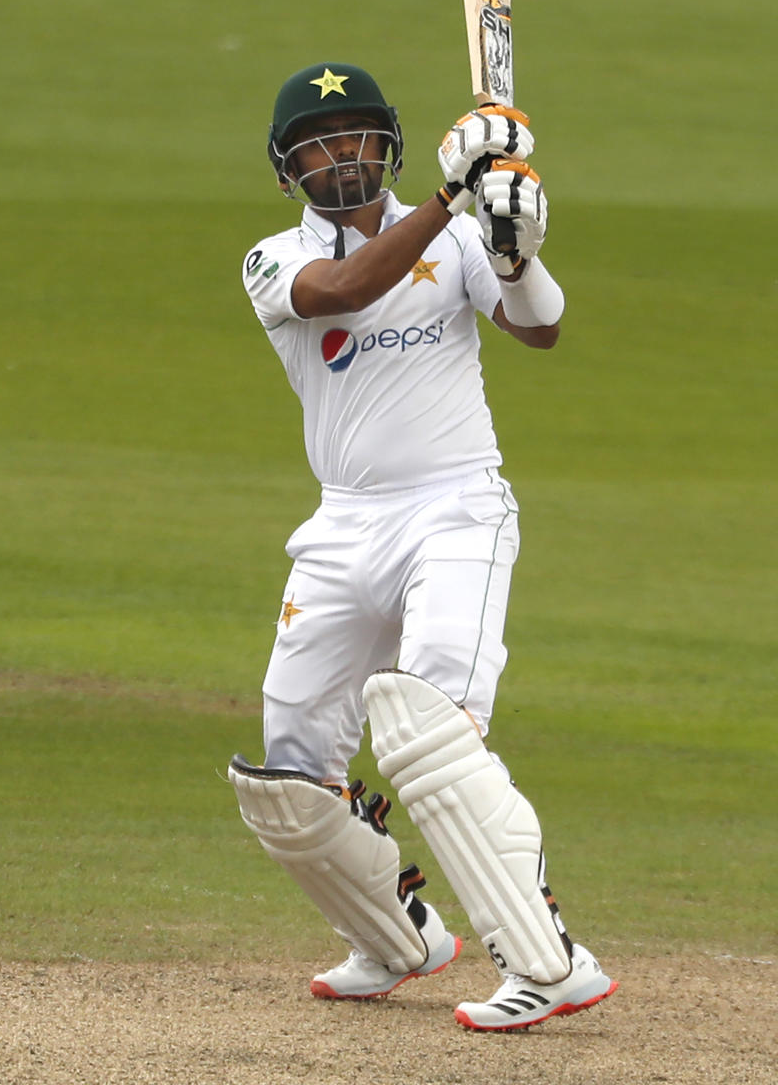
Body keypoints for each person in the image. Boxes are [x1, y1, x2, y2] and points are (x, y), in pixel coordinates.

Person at [227, 61, 616, 1031]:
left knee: (432, 731)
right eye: (321, 142)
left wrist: (516, 247)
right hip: (344, 520)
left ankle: (549, 961)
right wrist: (454, 194)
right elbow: (347, 286)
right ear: (288, 170)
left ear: (387, 143)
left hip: (456, 510)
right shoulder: (272, 260)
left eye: (358, 134)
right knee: (289, 770)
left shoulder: (462, 239)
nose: (343, 155)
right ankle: (399, 937)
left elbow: (544, 328)